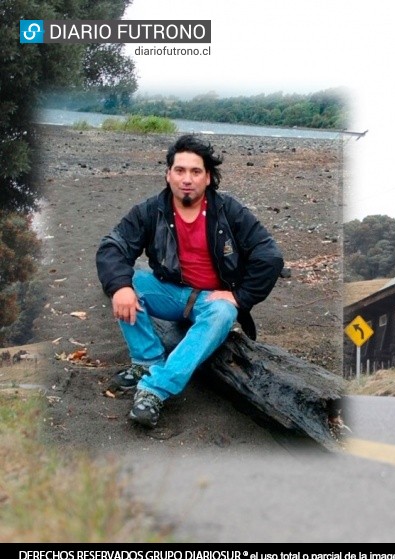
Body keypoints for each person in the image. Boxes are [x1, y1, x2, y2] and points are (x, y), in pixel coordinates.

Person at [96, 134, 284, 428]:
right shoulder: (150, 210)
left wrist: (239, 297)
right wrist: (120, 288)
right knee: (129, 282)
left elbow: (269, 255)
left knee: (224, 312)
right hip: (170, 292)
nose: (187, 179)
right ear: (168, 174)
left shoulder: (229, 211)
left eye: (196, 171)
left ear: (208, 178)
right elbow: (113, 247)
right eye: (180, 170)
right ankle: (147, 361)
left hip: (212, 300)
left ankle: (155, 390)